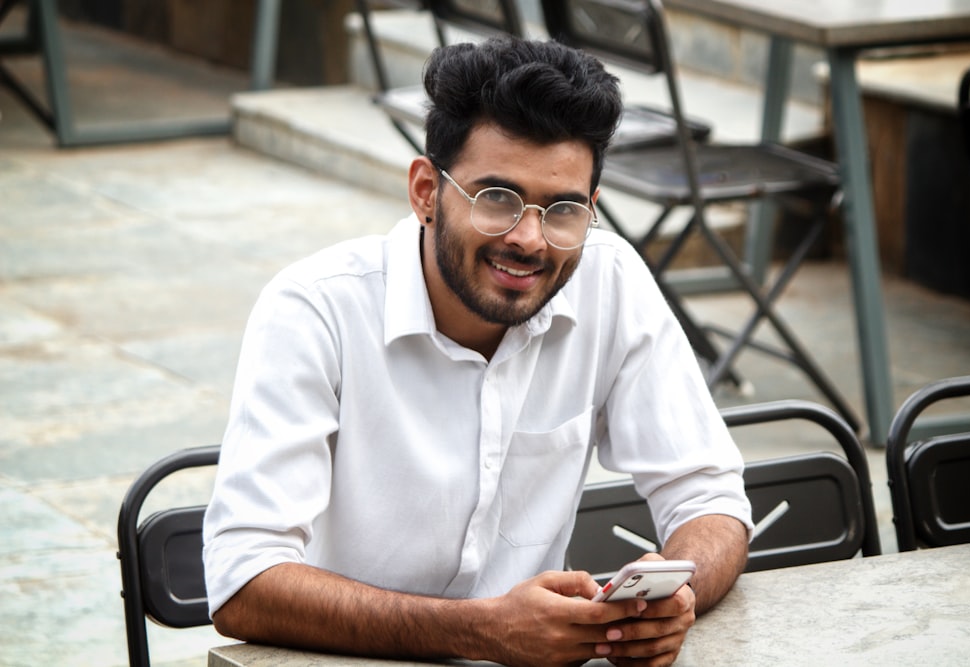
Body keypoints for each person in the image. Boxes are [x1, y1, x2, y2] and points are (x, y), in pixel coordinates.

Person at [203, 36, 752, 667]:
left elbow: (710, 499)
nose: (529, 239)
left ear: (592, 209)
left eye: (563, 209)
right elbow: (243, 583)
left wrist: (674, 596)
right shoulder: (314, 310)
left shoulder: (610, 279)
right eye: (497, 199)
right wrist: (481, 631)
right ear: (425, 192)